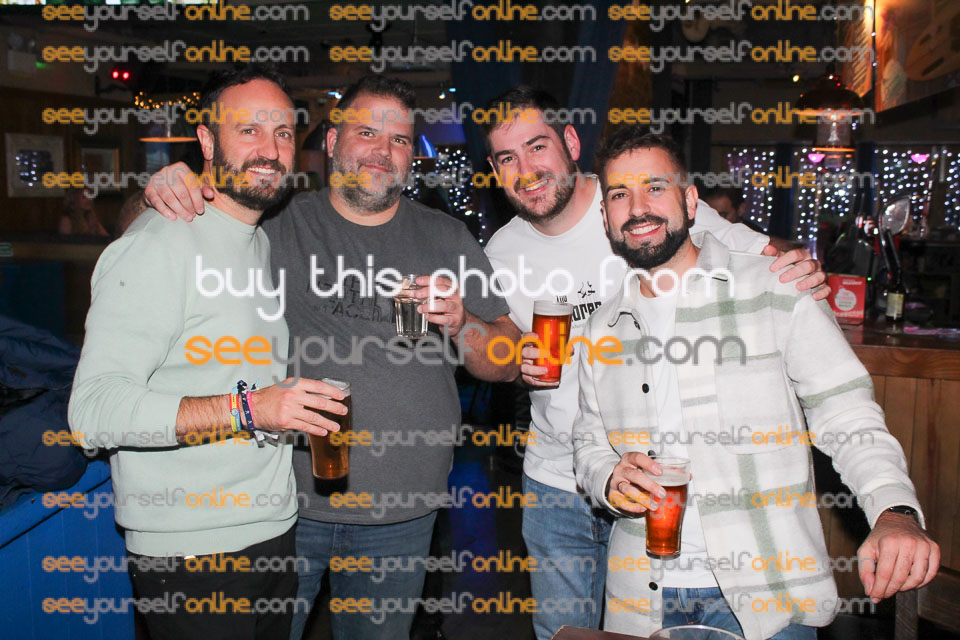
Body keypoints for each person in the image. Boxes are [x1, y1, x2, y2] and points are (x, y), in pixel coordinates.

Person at [135, 74, 519, 640]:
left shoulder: (446, 237)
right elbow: (170, 229)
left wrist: (463, 323)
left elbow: (508, 361)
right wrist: (170, 186)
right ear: (333, 141)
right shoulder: (273, 221)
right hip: (282, 505)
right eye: (367, 133)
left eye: (399, 140)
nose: (382, 151)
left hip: (402, 510)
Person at [480, 86, 828, 640]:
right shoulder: (499, 253)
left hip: (661, 477)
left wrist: (801, 268)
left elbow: (762, 254)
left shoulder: (640, 200)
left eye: (537, 146)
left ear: (570, 142)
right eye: (507, 158)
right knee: (563, 632)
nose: (526, 170)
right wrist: (510, 354)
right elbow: (498, 346)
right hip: (557, 479)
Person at [572, 127, 939, 639]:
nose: (637, 208)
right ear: (606, 216)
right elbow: (588, 441)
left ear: (690, 201)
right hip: (640, 598)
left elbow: (846, 413)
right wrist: (608, 477)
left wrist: (893, 509)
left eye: (655, 187)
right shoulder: (599, 329)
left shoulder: (777, 289)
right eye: (619, 194)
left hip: (768, 595)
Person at [69, 65, 349, 639]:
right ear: (206, 141)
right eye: (248, 130)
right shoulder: (158, 244)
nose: (269, 150)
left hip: (272, 533)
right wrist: (250, 408)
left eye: (283, 133)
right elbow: (92, 411)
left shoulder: (258, 241)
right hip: (191, 553)